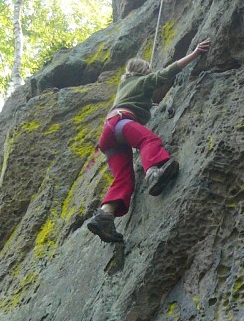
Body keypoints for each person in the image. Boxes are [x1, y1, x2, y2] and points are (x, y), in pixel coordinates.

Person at [87, 39, 211, 243]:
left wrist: (149, 105)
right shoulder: (142, 81)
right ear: (144, 72)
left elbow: (137, 102)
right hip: (121, 123)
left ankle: (104, 216)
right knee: (148, 140)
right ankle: (153, 173)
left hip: (108, 135)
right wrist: (195, 53)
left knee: (124, 178)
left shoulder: (125, 86)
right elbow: (166, 73)